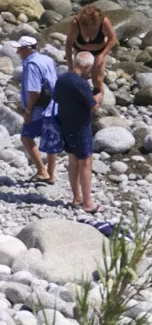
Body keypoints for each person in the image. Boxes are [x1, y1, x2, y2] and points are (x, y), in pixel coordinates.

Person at [54, 52, 102, 212]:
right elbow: (94, 107)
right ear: (87, 66)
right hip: (81, 127)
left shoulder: (62, 79)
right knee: (86, 163)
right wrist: (99, 94)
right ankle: (88, 203)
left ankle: (77, 198)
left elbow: (56, 99)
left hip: (66, 124)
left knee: (73, 161)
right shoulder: (81, 83)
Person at [15, 35, 61, 185]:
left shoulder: (31, 64)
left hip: (39, 108)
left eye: (19, 49)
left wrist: (28, 111)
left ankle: (42, 171)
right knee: (51, 141)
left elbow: (34, 91)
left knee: (26, 137)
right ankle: (52, 175)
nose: (17, 53)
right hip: (53, 106)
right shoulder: (47, 59)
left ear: (27, 49)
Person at [66, 4, 116, 95]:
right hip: (81, 51)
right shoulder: (76, 23)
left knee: (97, 80)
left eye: (95, 24)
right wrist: (70, 64)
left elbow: (112, 39)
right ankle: (80, 100)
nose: (92, 26)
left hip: (99, 52)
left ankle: (97, 104)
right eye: (89, 24)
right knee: (78, 77)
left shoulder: (104, 22)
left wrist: (102, 55)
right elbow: (69, 43)